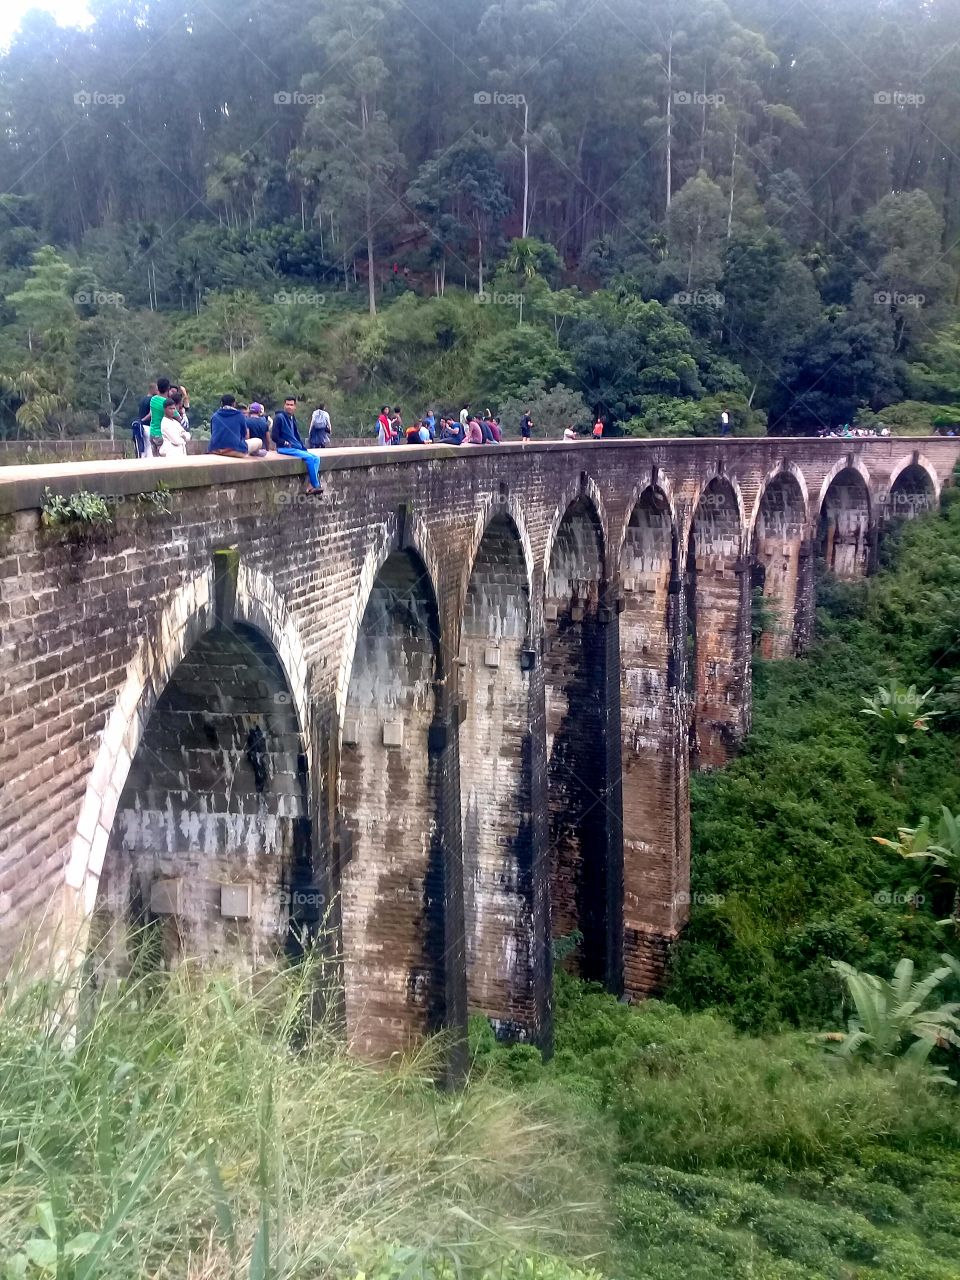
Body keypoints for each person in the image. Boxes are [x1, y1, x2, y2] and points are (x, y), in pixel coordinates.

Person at [272, 395, 322, 494]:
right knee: (310, 459)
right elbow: (274, 436)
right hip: (285, 448)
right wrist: (285, 443)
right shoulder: (279, 418)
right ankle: (316, 485)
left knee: (316, 458)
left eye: (291, 405)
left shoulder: (292, 418)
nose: (289, 407)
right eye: (287, 404)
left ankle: (312, 484)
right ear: (284, 405)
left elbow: (296, 435)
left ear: (295, 407)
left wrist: (303, 447)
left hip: (295, 447)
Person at [149, 376, 173, 455]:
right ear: (168, 388)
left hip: (152, 433)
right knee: (163, 461)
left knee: (156, 461)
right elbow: (178, 417)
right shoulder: (168, 404)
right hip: (161, 435)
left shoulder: (153, 399)